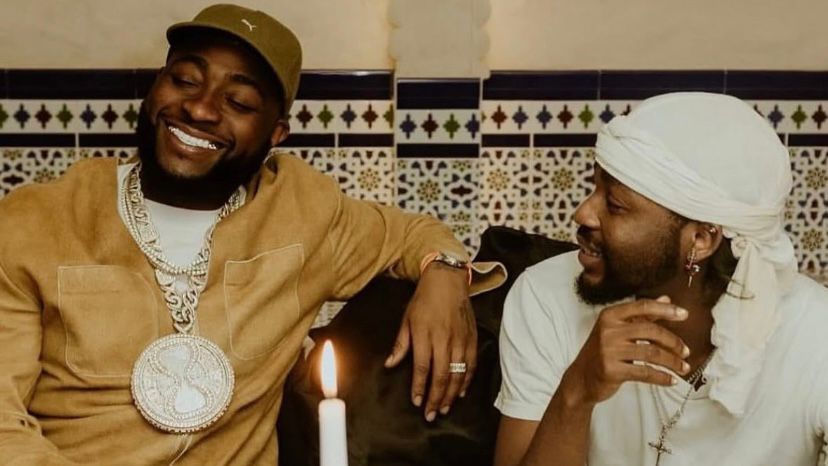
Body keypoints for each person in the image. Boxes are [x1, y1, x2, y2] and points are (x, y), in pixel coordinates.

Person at [0, 4, 501, 464]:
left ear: (275, 134)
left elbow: (413, 235)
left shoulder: (303, 212)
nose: (200, 109)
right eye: (184, 80)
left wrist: (445, 273)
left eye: (238, 101)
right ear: (155, 88)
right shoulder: (35, 222)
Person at [493, 92, 828, 465]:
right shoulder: (546, 296)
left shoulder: (814, 335)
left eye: (615, 205)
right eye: (594, 187)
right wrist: (577, 391)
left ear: (700, 239)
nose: (583, 213)